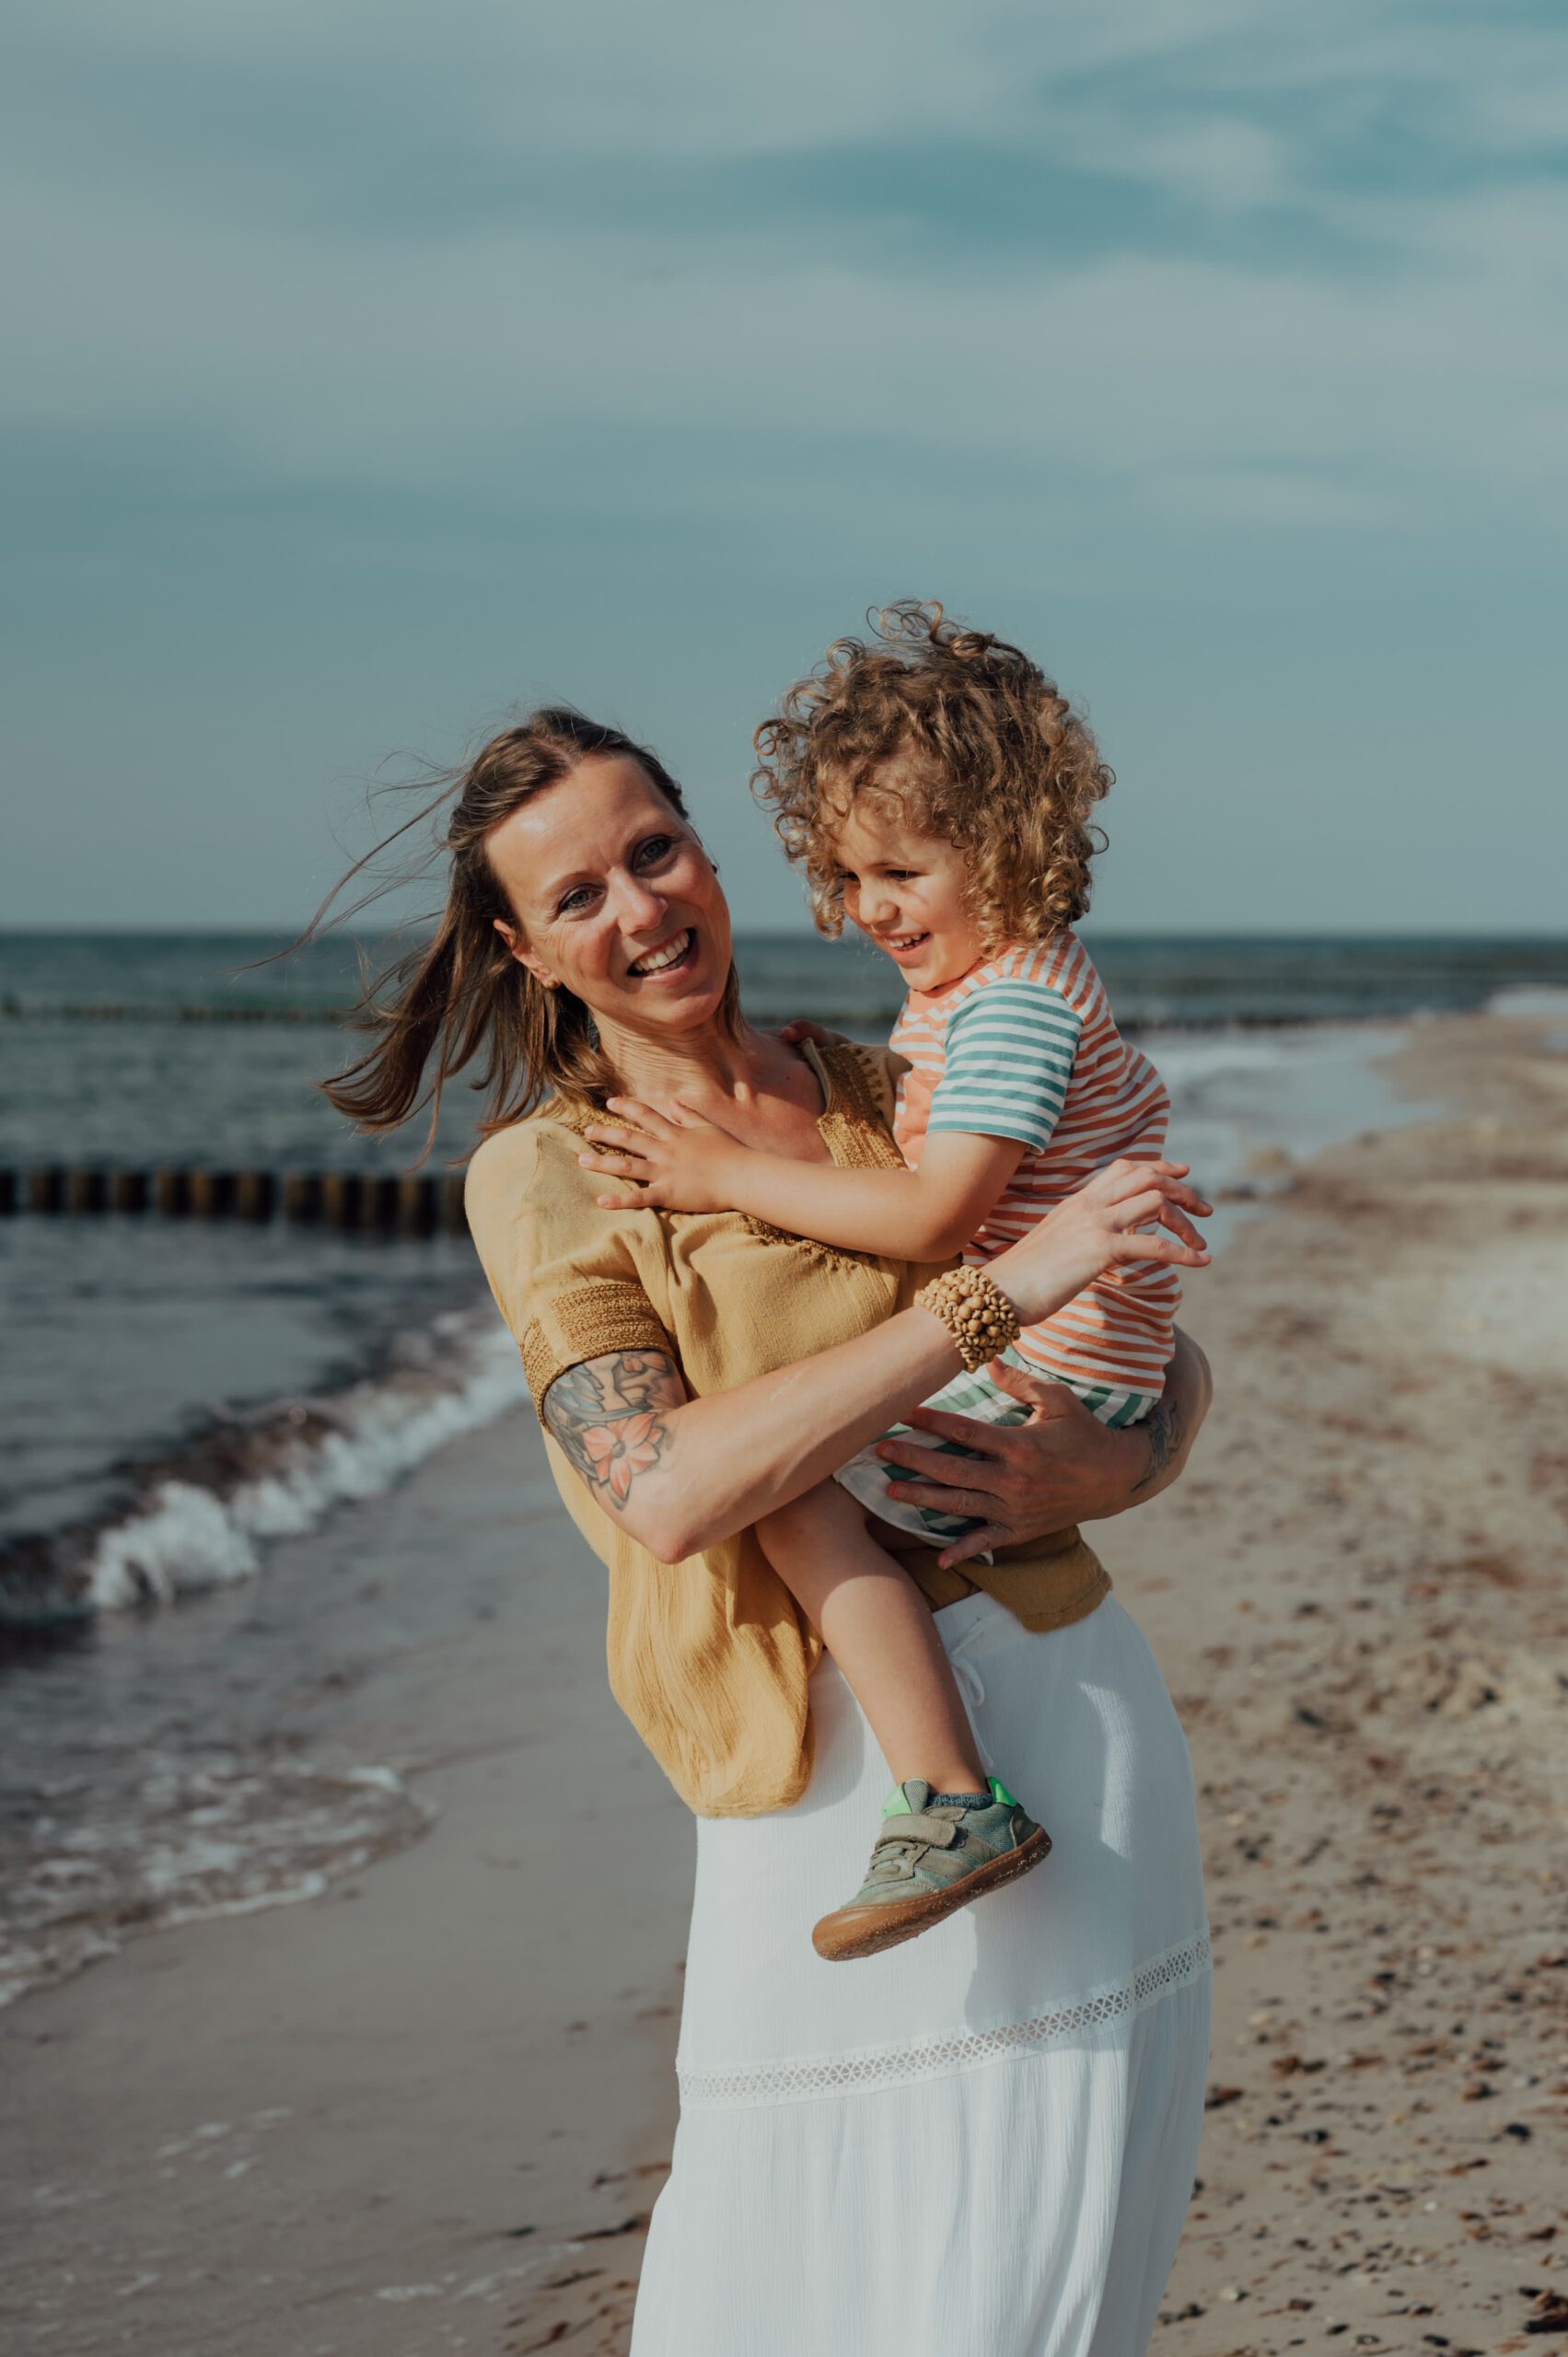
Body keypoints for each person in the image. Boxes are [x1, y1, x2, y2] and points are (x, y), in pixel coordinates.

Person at [324, 702, 1214, 2357]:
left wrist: (1116, 1467)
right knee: (792, 2275)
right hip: (822, 1788)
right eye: (577, 895)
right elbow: (662, 1488)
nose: (641, 910)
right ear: (523, 953)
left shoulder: (891, 1079)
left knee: (1055, 2286)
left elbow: (1154, 1330)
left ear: (709, 855)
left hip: (1076, 1713)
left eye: (654, 853)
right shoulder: (551, 1173)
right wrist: (986, 1302)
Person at [575, 603, 1201, 1964]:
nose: (869, 910)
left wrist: (723, 1176)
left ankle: (948, 1795)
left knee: (791, 1491)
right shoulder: (998, 990)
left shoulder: (1013, 1007)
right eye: (851, 875)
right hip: (1085, 1355)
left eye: (902, 873)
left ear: (1009, 846)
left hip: (1057, 1369)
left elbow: (939, 1207)